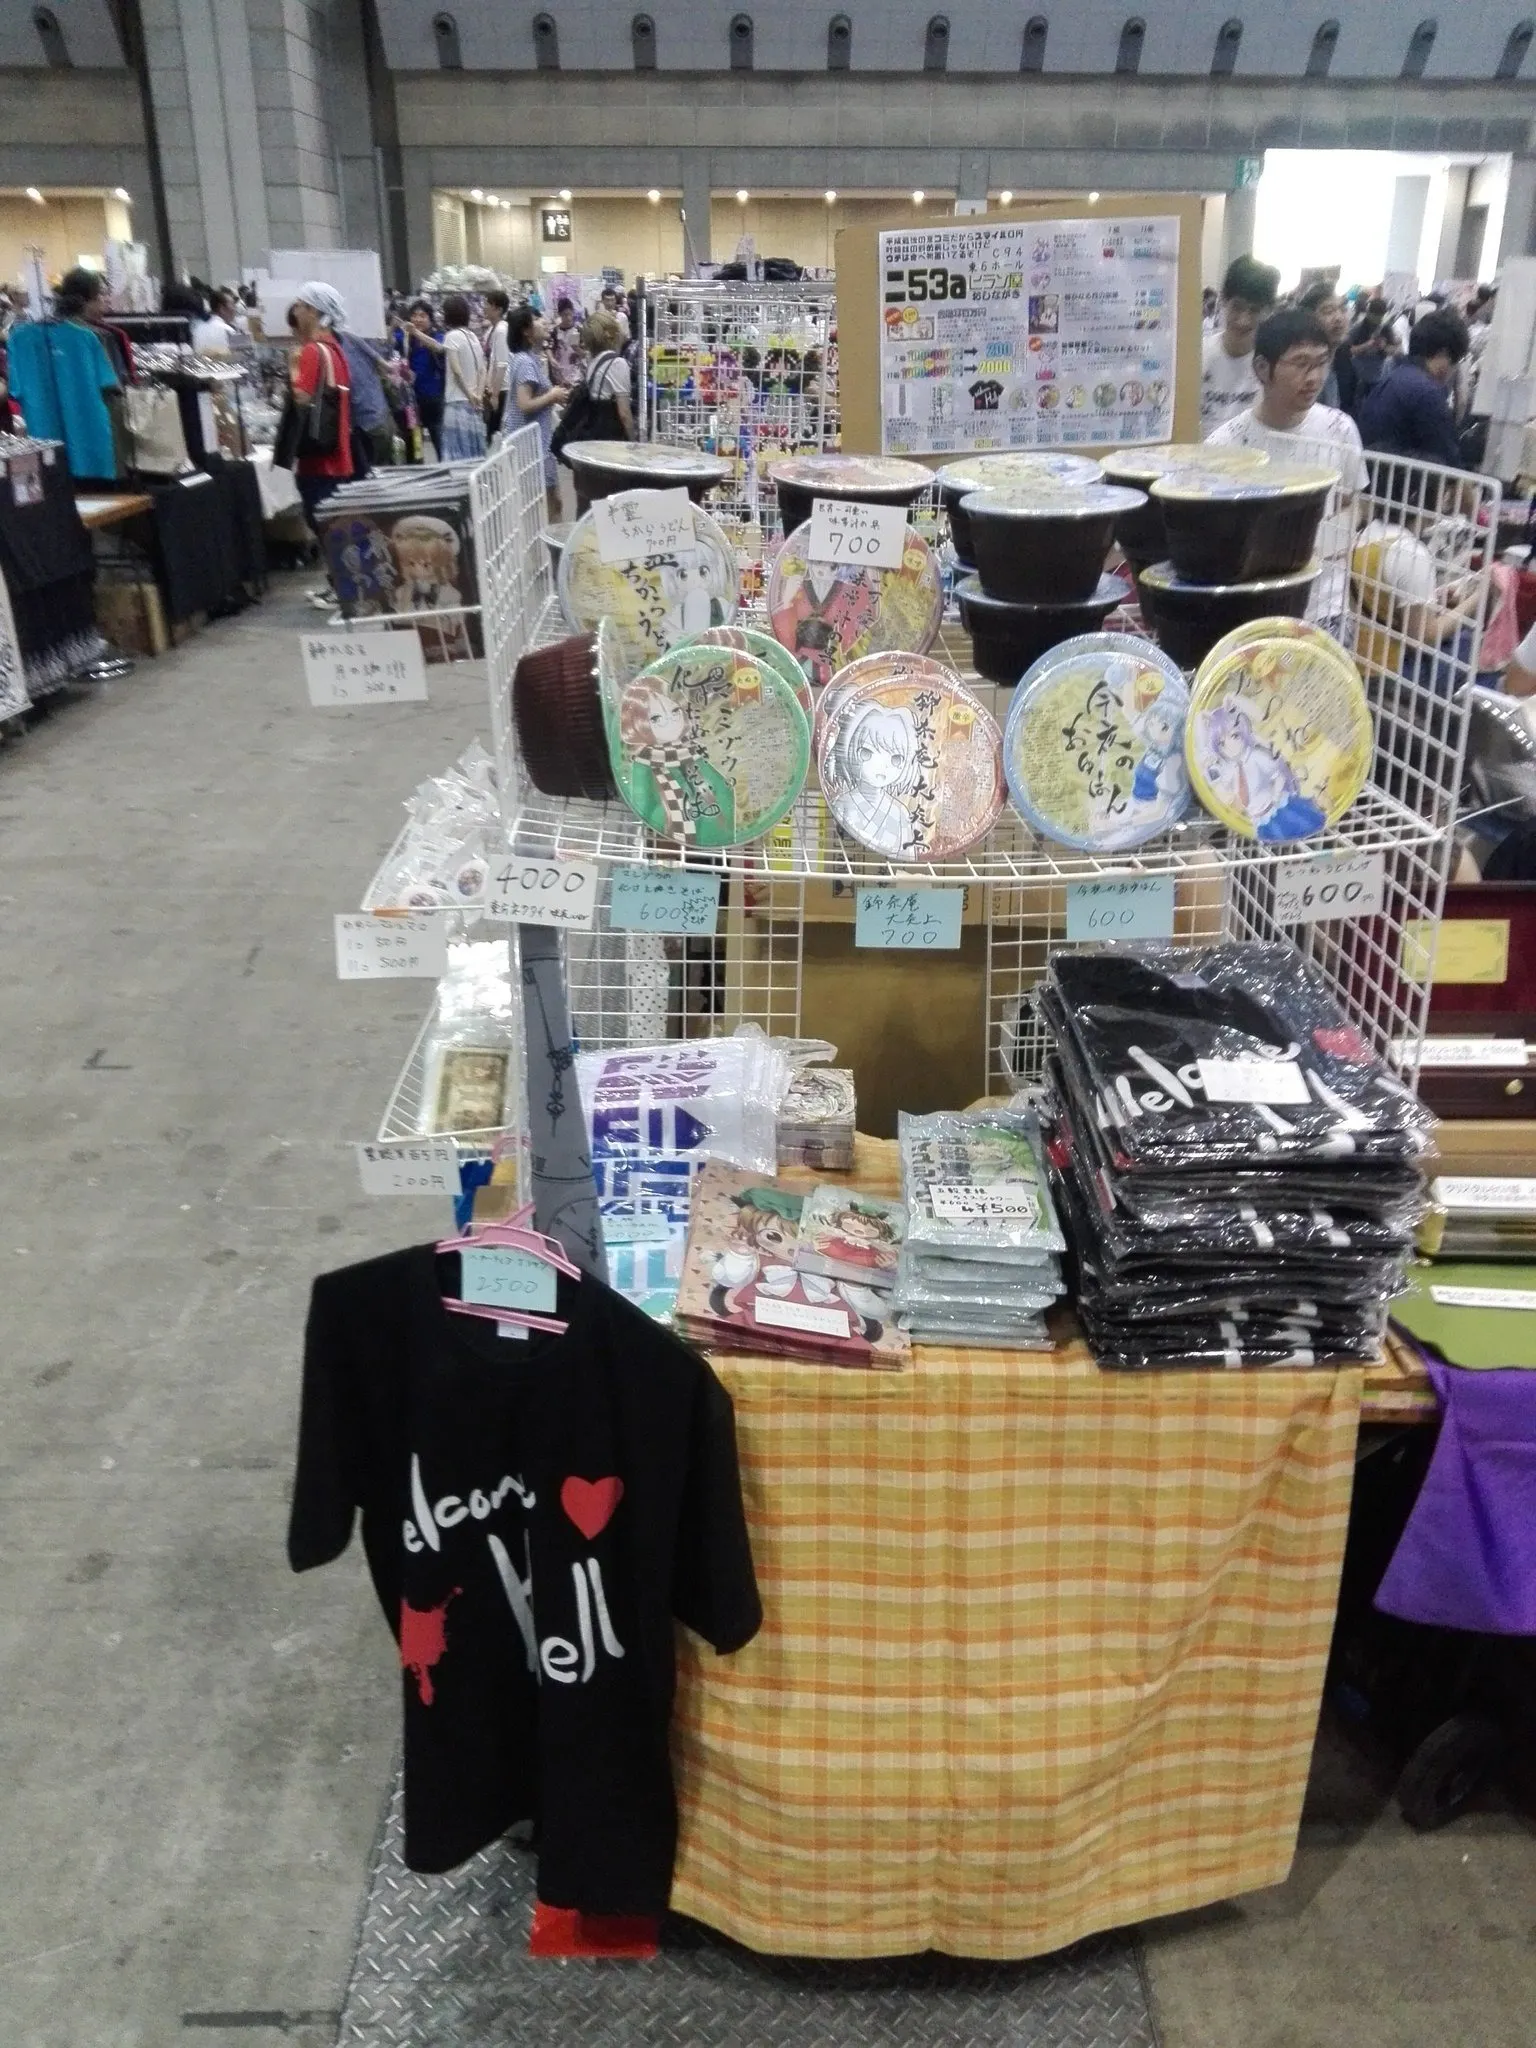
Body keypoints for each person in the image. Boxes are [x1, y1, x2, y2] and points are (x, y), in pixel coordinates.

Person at [5, 266, 122, 483]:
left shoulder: (19, 339)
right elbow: (110, 390)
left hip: (46, 447)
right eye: (100, 295)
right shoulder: (89, 338)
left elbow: (15, 390)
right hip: (90, 449)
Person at [1358, 308, 1470, 467]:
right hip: (1397, 480)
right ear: (1443, 354)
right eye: (1457, 361)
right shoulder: (1428, 394)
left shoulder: (1394, 378)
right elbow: (1449, 462)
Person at [285, 282, 354, 524]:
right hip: (338, 457)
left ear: (313, 311)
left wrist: (293, 367)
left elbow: (301, 398)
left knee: (324, 527)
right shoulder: (335, 349)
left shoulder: (313, 351)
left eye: (299, 306)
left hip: (319, 463)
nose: (295, 312)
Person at [1200, 255, 1281, 437]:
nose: (1243, 320)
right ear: (1223, 301)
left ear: (1268, 311)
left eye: (1254, 310)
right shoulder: (1197, 355)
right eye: (1237, 307)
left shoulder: (1274, 365)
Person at [507, 303, 569, 515]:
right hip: (532, 447)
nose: (543, 322)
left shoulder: (528, 359)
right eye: (536, 319)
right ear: (526, 331)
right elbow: (524, 404)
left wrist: (555, 394)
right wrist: (552, 396)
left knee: (551, 502)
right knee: (548, 505)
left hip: (537, 443)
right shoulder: (525, 362)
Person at [334, 312, 399, 472]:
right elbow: (384, 363)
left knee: (377, 471)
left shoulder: (350, 338)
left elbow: (385, 363)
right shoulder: (348, 339)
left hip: (371, 418)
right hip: (366, 418)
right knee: (374, 471)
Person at [438, 291, 487, 461]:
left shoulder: (451, 336)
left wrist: (468, 394)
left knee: (456, 455)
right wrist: (477, 395)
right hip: (474, 405)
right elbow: (482, 370)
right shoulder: (473, 336)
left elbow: (456, 370)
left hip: (456, 402)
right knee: (474, 453)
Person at [1298, 280, 1358, 416]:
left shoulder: (1344, 361)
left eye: (1343, 309)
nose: (1338, 318)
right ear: (1309, 318)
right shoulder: (1299, 368)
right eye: (1328, 311)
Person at [578, 310, 636, 440]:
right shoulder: (617, 364)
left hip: (594, 436)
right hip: (611, 437)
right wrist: (634, 440)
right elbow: (624, 414)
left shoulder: (593, 362)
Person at [397, 299, 445, 458]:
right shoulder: (406, 338)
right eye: (414, 315)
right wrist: (392, 328)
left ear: (430, 319)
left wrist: (416, 333)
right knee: (414, 441)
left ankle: (445, 467)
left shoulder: (437, 336)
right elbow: (389, 343)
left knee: (438, 438)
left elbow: (439, 348)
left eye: (422, 316)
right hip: (412, 400)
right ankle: (418, 466)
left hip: (433, 397)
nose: (418, 319)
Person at [482, 287, 510, 436]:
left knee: (496, 433)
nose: (484, 307)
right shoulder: (492, 330)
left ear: (498, 309)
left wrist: (495, 395)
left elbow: (502, 364)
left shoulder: (501, 330)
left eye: (488, 304)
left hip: (502, 389)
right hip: (494, 388)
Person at [191, 288, 242, 355]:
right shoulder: (228, 331)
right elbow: (238, 356)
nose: (235, 309)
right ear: (222, 309)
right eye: (233, 305)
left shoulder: (198, 329)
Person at [548, 297, 584, 386]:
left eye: (570, 314)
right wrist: (551, 358)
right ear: (559, 314)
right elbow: (548, 346)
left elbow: (585, 354)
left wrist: (577, 349)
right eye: (565, 315)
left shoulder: (579, 330)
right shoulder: (554, 331)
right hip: (559, 372)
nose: (568, 318)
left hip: (576, 373)